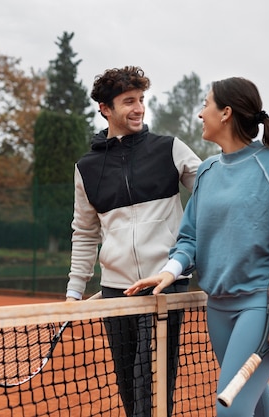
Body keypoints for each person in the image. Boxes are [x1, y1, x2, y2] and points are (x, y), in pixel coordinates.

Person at [124, 77, 269, 417]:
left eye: (206, 104)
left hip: (259, 306)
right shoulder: (208, 170)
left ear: (225, 113)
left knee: (230, 410)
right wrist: (170, 271)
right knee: (253, 404)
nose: (200, 113)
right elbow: (190, 237)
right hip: (218, 309)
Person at [65, 66, 201, 417]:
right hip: (115, 293)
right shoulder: (87, 168)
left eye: (141, 100)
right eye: (129, 101)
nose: (139, 108)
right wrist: (73, 292)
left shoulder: (170, 149)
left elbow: (215, 192)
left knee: (150, 386)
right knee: (129, 389)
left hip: (164, 288)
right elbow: (84, 232)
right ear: (105, 108)